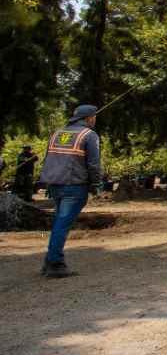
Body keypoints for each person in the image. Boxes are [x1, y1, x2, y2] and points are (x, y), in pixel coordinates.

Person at [38, 104, 103, 278]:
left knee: (59, 222)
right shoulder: (89, 135)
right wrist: (96, 183)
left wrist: (46, 182)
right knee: (63, 224)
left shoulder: (57, 133)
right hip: (74, 185)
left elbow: (48, 158)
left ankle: (48, 261)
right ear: (89, 118)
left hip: (55, 184)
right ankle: (55, 264)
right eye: (94, 116)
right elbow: (93, 164)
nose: (95, 119)